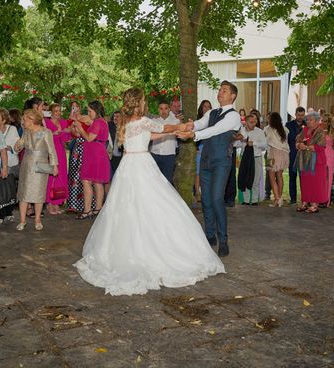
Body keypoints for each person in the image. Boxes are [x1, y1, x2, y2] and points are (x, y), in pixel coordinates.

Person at [74, 88, 223, 295]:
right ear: (138, 103)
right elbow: (162, 126)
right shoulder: (142, 120)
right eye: (143, 100)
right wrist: (182, 126)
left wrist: (172, 132)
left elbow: (152, 135)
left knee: (127, 208)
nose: (145, 103)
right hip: (141, 164)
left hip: (128, 163)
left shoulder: (126, 122)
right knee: (153, 204)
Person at [178, 81, 242, 257]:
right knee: (205, 200)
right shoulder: (212, 112)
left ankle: (223, 240)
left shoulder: (234, 116)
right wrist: (189, 126)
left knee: (216, 199)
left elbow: (215, 130)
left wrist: (194, 135)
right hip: (206, 161)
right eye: (220, 90)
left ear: (233, 96)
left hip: (222, 161)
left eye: (225, 90)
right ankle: (209, 236)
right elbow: (200, 123)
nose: (220, 93)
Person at [14, 109, 58, 231]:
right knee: (23, 192)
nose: (24, 121)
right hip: (27, 164)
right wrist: (17, 145)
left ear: (33, 119)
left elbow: (51, 150)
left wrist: (54, 165)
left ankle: (37, 219)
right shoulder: (26, 131)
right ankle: (22, 221)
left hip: (41, 164)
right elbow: (19, 146)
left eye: (26, 118)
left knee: (38, 193)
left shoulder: (46, 132)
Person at [73, 101, 110, 220]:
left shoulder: (98, 122)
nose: (88, 113)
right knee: (97, 182)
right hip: (95, 152)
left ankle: (87, 210)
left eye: (90, 111)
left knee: (86, 181)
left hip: (95, 153)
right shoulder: (100, 122)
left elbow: (89, 138)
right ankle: (97, 209)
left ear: (96, 110)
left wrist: (80, 128)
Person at [295, 110, 327, 214]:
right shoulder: (304, 130)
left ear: (317, 121)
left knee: (315, 183)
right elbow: (298, 140)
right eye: (307, 120)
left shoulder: (321, 131)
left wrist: (307, 147)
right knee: (305, 182)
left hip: (317, 161)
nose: (308, 122)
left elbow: (320, 146)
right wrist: (299, 145)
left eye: (311, 120)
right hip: (304, 160)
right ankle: (304, 203)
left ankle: (314, 205)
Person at [44, 103, 72, 213]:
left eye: (59, 110)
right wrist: (52, 133)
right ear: (50, 112)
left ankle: (57, 202)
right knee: (51, 176)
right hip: (49, 150)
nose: (58, 113)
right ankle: (49, 203)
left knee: (60, 175)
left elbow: (66, 139)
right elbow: (41, 135)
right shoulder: (45, 122)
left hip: (60, 151)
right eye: (56, 111)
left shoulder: (63, 122)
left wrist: (67, 131)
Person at [0, 108, 20, 218]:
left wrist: (11, 148)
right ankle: (0, 214)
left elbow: (19, 146)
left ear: (4, 120)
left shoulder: (12, 129)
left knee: (9, 190)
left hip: (11, 164)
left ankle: (8, 212)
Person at [235, 113, 267, 205]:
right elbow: (236, 145)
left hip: (256, 157)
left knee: (255, 179)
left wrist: (254, 143)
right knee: (244, 178)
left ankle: (254, 200)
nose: (253, 124)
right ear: (246, 122)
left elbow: (264, 145)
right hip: (244, 158)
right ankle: (246, 200)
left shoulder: (259, 131)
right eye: (251, 122)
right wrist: (240, 141)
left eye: (254, 122)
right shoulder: (242, 132)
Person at [263, 112, 290, 207]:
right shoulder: (285, 129)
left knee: (271, 177)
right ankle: (279, 197)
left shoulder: (268, 129)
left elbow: (265, 141)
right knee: (279, 176)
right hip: (284, 154)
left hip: (272, 154)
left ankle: (277, 199)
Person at [150, 101, 179, 184]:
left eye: (166, 108)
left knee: (167, 181)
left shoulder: (175, 122)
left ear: (169, 109)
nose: (163, 111)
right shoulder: (153, 121)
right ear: (158, 110)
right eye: (161, 109)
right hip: (155, 155)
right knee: (154, 180)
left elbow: (181, 136)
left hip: (169, 156)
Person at [285, 107, 305, 205]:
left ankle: (304, 198)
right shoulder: (288, 125)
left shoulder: (308, 124)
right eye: (299, 115)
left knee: (304, 178)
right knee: (292, 176)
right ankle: (293, 199)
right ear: (295, 114)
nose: (300, 117)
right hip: (292, 153)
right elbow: (286, 139)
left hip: (304, 155)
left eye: (302, 115)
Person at [194, 100, 213, 203]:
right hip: (200, 148)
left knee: (208, 171)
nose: (206, 108)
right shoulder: (198, 121)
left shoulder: (213, 121)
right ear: (201, 108)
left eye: (208, 106)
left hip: (210, 148)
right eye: (204, 106)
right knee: (198, 172)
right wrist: (196, 148)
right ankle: (197, 193)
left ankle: (207, 193)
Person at [321, 113, 334, 205]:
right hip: (320, 154)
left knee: (328, 177)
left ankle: (326, 200)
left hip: (329, 155)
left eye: (325, 121)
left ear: (328, 123)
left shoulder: (332, 131)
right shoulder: (318, 130)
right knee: (321, 177)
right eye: (322, 120)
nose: (323, 122)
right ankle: (319, 197)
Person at [108, 110, 123, 176]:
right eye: (114, 116)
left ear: (122, 118)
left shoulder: (125, 128)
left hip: (121, 156)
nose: (115, 118)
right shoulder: (111, 126)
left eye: (117, 116)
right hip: (112, 157)